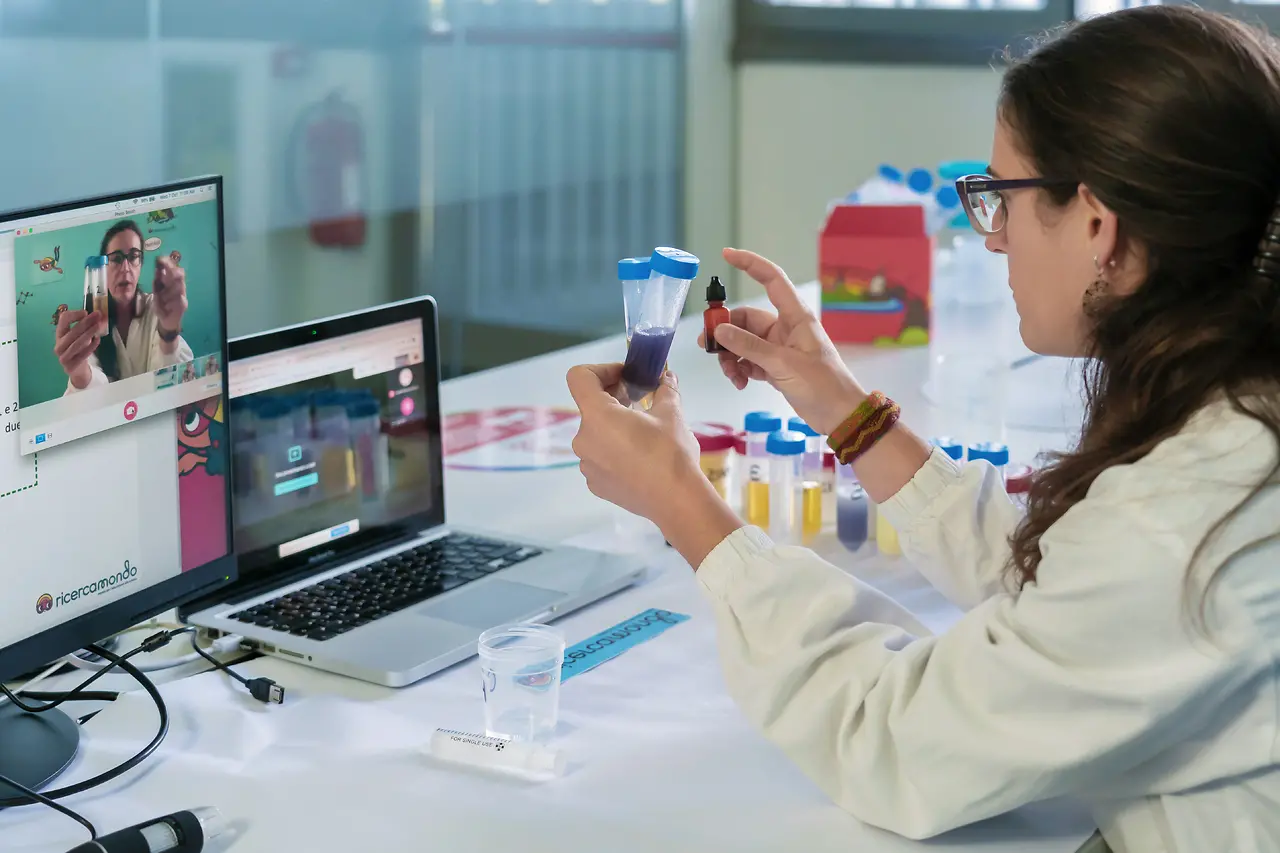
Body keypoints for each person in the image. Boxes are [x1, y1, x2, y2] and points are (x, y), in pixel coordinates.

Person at [567, 8, 1280, 853]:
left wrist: (682, 503)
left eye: (1001, 200)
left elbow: (897, 741)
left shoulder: (1201, 507)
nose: (995, 241)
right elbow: (1062, 587)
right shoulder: (1232, 407)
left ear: (1098, 225)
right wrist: (845, 408)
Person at [55, 219, 192, 394]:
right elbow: (95, 398)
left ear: (141, 265)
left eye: (134, 257)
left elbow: (169, 384)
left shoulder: (157, 308)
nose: (126, 268)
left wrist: (169, 335)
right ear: (103, 268)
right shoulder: (91, 320)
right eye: (117, 259)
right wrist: (80, 373)